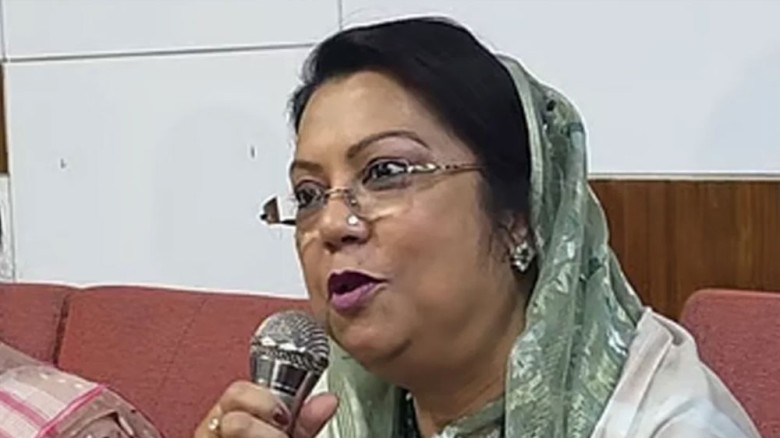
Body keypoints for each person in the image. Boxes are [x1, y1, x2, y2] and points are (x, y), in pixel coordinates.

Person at [194, 17, 760, 438]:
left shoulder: (667, 425)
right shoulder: (329, 409)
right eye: (308, 195)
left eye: (385, 172)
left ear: (519, 219)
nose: (333, 224)